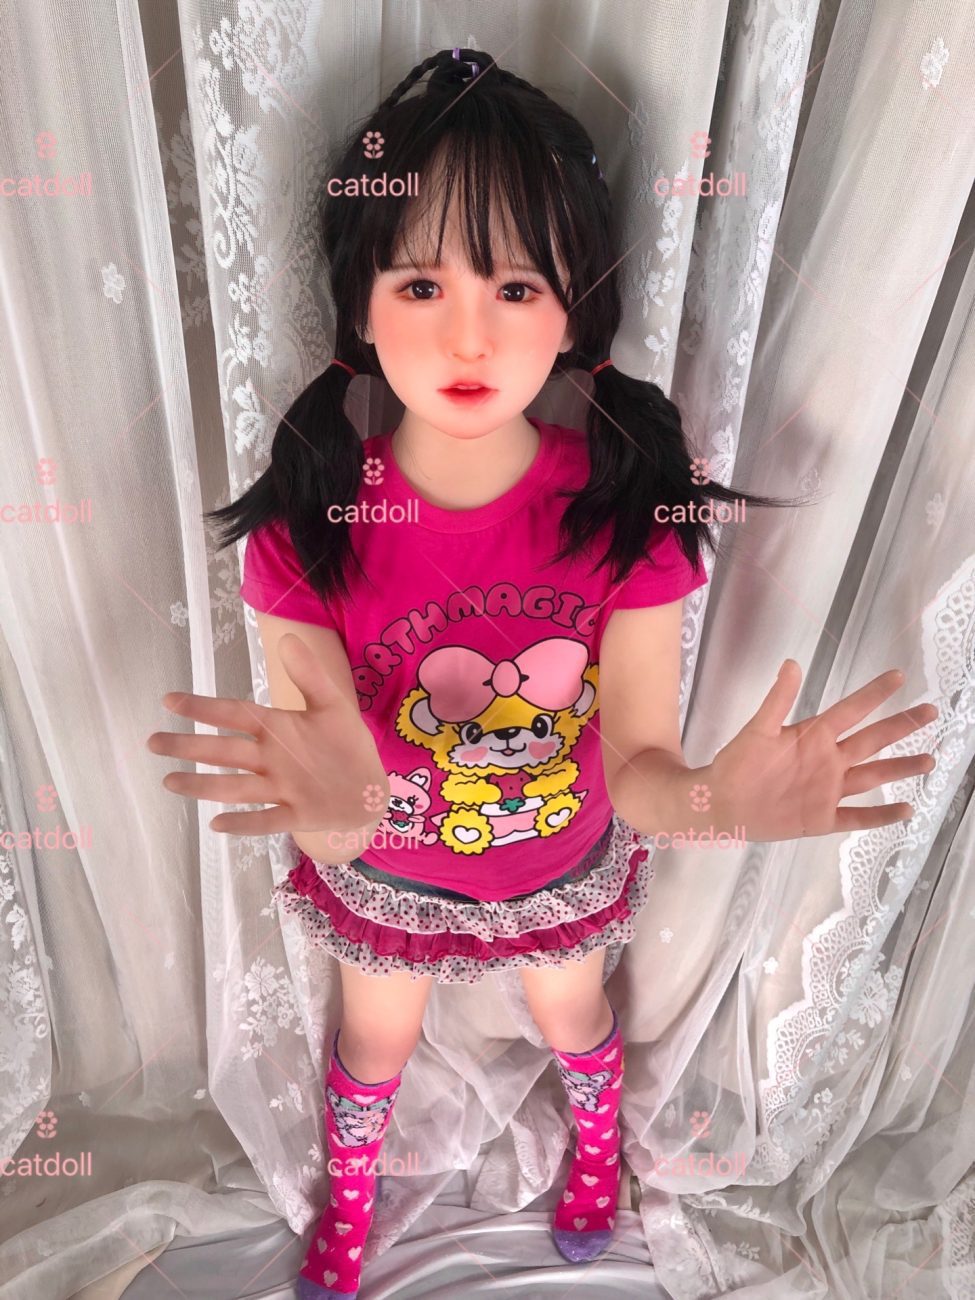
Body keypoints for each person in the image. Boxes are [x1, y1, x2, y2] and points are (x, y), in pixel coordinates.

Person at [146, 47, 937, 1300]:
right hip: (389, 877)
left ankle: (597, 1153)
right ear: (361, 308)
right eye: (422, 282)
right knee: (374, 1040)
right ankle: (349, 1202)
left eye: (515, 285)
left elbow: (641, 767)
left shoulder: (621, 511)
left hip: (557, 863)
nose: (469, 333)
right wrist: (336, 803)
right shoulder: (312, 529)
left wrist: (724, 802)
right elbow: (337, 791)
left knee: (575, 1016)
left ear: (574, 313)